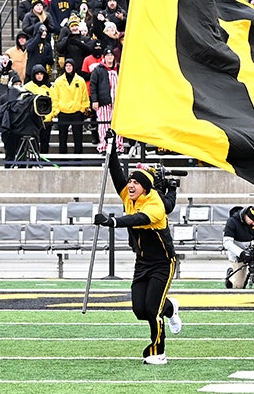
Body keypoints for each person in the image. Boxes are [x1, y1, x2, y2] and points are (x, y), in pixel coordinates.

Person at [94, 162, 182, 364]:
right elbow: (115, 173)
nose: (130, 185)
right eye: (130, 181)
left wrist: (113, 222)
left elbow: (137, 219)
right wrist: (112, 148)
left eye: (136, 182)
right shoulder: (129, 196)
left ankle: (158, 352)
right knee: (139, 311)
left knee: (152, 310)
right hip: (142, 262)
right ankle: (170, 308)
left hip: (163, 263)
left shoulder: (155, 205)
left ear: (146, 187)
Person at [50, 59, 90, 154]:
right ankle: (63, 159)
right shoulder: (59, 81)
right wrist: (56, 110)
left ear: (73, 67)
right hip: (63, 113)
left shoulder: (80, 80)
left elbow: (85, 96)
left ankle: (78, 160)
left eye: (70, 65)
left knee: (78, 138)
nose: (68, 67)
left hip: (77, 113)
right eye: (67, 66)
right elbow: (55, 97)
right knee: (62, 138)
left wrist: (83, 109)